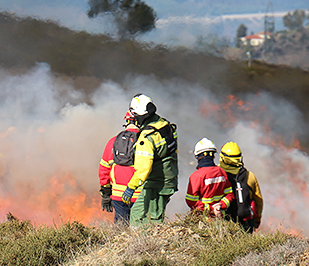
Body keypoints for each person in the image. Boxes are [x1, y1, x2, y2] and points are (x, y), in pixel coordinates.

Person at [120, 94, 179, 226]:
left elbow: (143, 168)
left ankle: (144, 244)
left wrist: (130, 187)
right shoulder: (164, 125)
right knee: (144, 214)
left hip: (157, 184)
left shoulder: (146, 137)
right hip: (167, 178)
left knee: (146, 218)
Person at [99, 110, 140, 225]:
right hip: (140, 195)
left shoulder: (113, 142)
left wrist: (106, 194)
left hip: (118, 195)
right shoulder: (145, 142)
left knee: (121, 232)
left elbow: (104, 170)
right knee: (141, 231)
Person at [219, 141, 264, 232]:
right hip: (246, 222)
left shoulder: (217, 175)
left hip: (224, 223)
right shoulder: (249, 176)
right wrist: (257, 220)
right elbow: (258, 200)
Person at [185, 138, 234, 217]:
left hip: (201, 220)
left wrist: (210, 209)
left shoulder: (196, 176)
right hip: (220, 219)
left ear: (198, 155)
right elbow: (230, 195)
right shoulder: (221, 172)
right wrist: (220, 206)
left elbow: (191, 201)